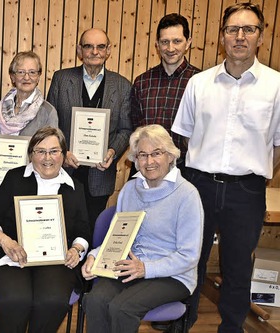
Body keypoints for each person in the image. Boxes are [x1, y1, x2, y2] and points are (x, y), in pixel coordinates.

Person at [172, 3, 280, 332]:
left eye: (248, 29)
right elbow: (185, 136)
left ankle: (231, 328)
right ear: (222, 37)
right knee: (191, 262)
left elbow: (278, 144)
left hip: (246, 191)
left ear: (260, 37)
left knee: (236, 269)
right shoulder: (200, 84)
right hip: (199, 186)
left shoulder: (276, 86)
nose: (240, 36)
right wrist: (207, 167)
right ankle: (183, 322)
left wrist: (253, 173)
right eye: (232, 29)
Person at [81, 124, 203, 333]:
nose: (149, 161)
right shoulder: (129, 189)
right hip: (130, 266)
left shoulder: (187, 195)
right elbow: (117, 237)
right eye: (143, 155)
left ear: (171, 156)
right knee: (95, 300)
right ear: (136, 160)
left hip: (173, 275)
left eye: (157, 153)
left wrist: (146, 269)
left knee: (122, 308)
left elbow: (189, 256)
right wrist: (94, 256)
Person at [0, 126, 91, 332]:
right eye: (40, 151)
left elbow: (83, 231)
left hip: (56, 260)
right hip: (10, 254)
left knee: (52, 300)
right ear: (31, 155)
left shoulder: (75, 187)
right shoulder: (14, 178)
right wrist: (5, 241)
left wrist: (76, 249)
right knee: (15, 298)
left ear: (64, 155)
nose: (48, 158)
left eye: (54, 151)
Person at [46, 28, 132, 233]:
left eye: (100, 46)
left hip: (100, 174)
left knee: (91, 231)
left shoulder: (122, 86)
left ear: (108, 50)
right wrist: (61, 152)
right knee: (61, 229)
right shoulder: (61, 79)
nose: (95, 51)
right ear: (79, 50)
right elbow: (50, 125)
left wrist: (112, 151)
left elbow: (126, 129)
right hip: (64, 169)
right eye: (88, 46)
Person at [129, 13, 200, 177]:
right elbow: (135, 128)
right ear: (157, 44)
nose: (170, 48)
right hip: (146, 170)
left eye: (177, 41)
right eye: (164, 42)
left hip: (185, 171)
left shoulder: (199, 83)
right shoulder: (142, 82)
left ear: (188, 43)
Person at [0, 51, 58, 201]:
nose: (27, 77)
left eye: (32, 72)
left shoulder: (47, 111)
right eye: (21, 72)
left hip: (30, 185)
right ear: (12, 76)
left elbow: (52, 154)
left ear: (38, 77)